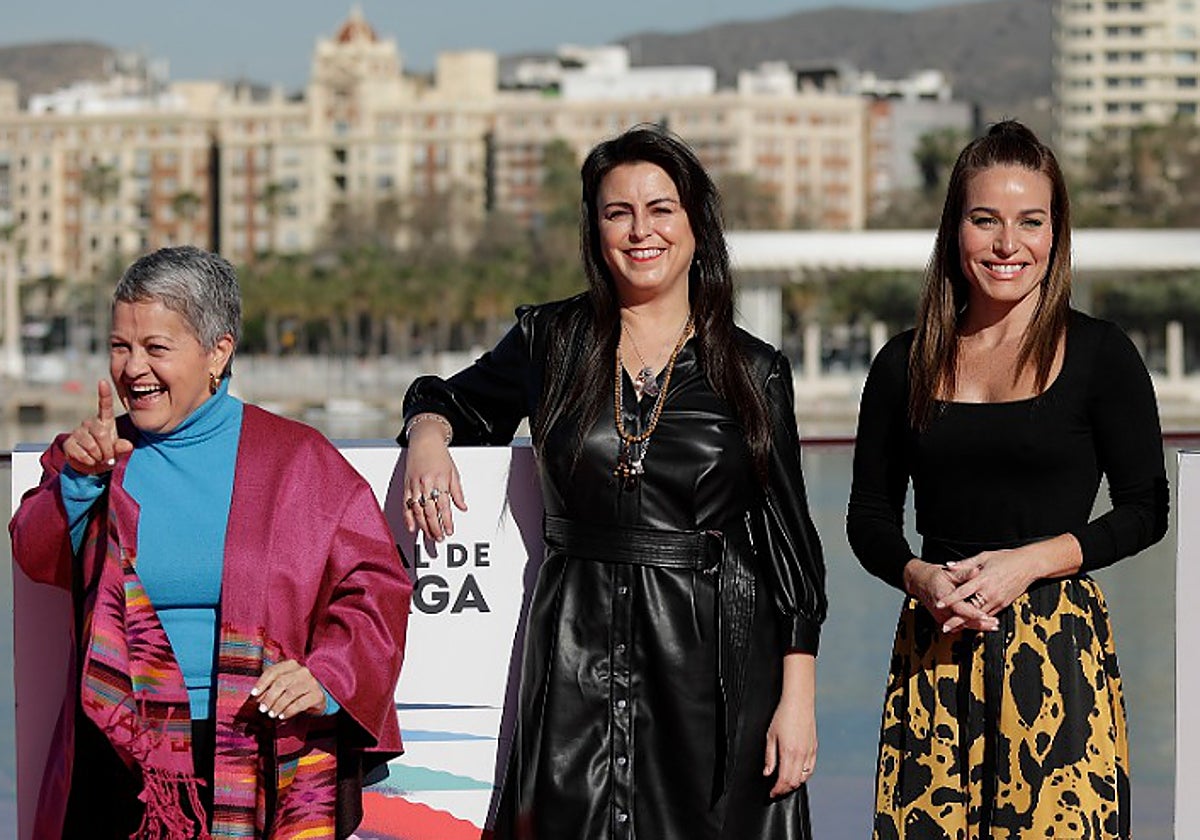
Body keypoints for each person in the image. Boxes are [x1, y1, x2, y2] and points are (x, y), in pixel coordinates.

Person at [400, 124, 826, 839]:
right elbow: (455, 399)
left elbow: (791, 547)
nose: (640, 231)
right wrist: (427, 436)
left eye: (661, 209)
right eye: (616, 212)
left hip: (711, 659)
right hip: (575, 652)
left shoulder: (753, 372)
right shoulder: (551, 340)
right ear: (594, 227)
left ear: (696, 223)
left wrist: (799, 698)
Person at [9, 246, 411, 839]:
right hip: (120, 756)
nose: (133, 369)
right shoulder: (92, 454)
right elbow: (35, 554)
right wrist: (76, 483)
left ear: (217, 351)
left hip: (255, 750)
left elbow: (376, 585)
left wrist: (325, 677)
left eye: (156, 348)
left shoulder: (298, 461)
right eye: (121, 346)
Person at [847, 120, 1169, 839]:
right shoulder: (903, 363)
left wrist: (1030, 562)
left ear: (1056, 234)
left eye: (1031, 221)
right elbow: (867, 516)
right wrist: (920, 578)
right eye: (984, 220)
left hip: (1058, 655)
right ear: (954, 230)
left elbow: (1147, 508)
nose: (1007, 244)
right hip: (935, 647)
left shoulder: (1101, 354)